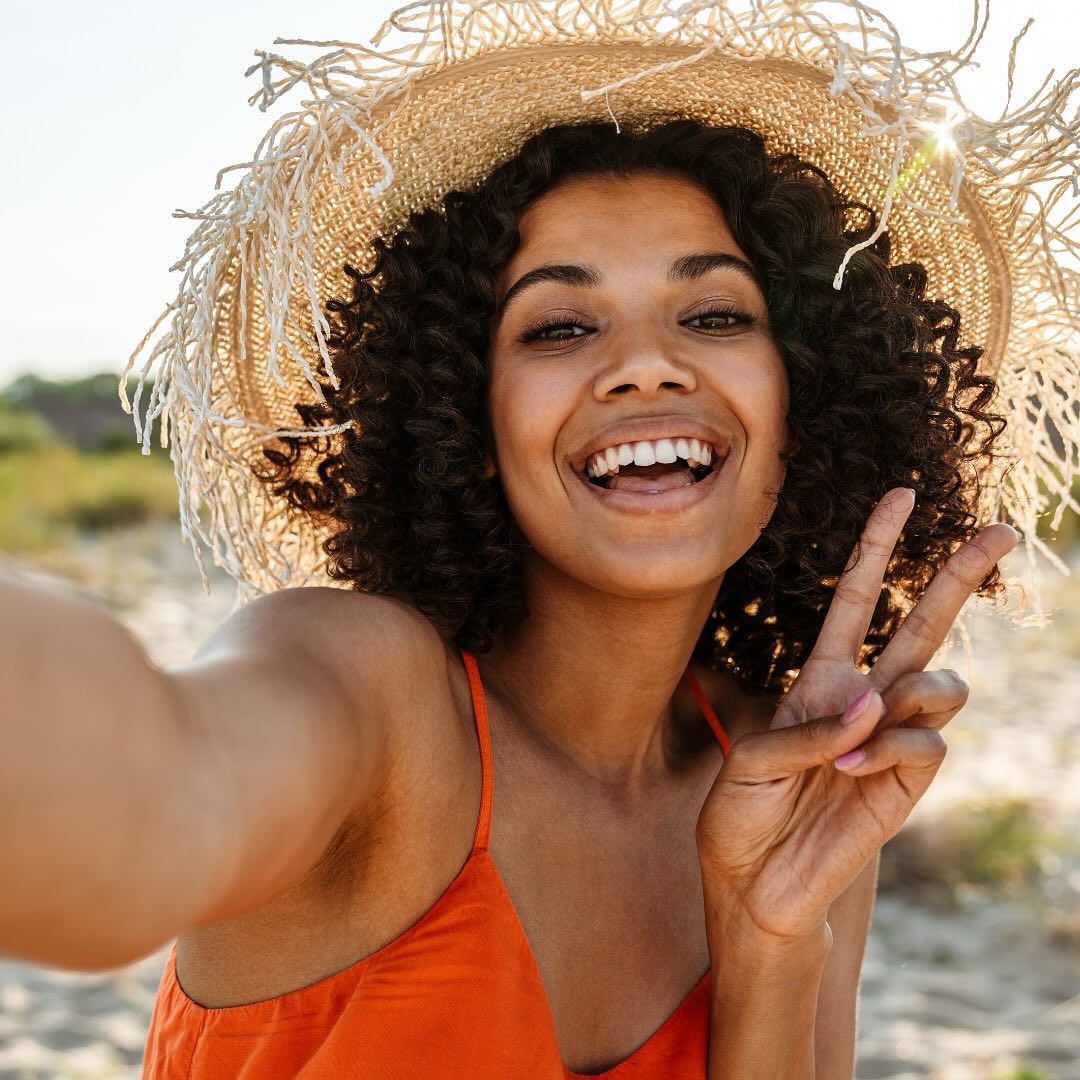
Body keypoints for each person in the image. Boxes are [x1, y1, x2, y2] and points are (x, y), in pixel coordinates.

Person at [2, 2, 1076, 1078]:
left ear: (807, 411)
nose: (647, 364)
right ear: (463, 426)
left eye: (713, 316)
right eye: (560, 327)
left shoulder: (791, 778)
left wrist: (769, 943)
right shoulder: (370, 696)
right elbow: (140, 798)